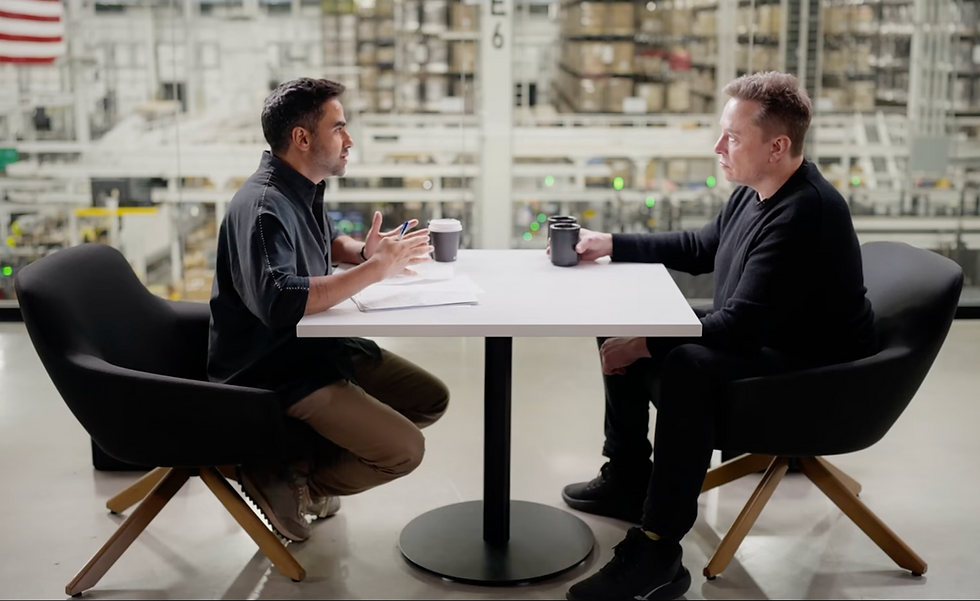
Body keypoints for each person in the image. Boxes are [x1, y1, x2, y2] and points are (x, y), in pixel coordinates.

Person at [562, 72, 878, 600]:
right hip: (773, 337)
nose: (717, 147)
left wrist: (643, 344)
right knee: (626, 316)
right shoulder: (756, 192)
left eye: (731, 137)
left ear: (777, 146)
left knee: (686, 363)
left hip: (814, 376)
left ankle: (659, 549)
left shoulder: (806, 213)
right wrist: (609, 242)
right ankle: (628, 477)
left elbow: (740, 327)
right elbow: (697, 246)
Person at [207, 78, 450, 543]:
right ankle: (294, 485)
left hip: (320, 346)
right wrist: (377, 270)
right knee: (404, 450)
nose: (349, 139)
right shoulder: (262, 207)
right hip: (278, 368)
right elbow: (283, 300)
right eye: (339, 128)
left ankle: (294, 461)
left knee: (429, 397)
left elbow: (321, 242)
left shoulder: (300, 186)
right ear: (302, 138)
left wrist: (362, 253)